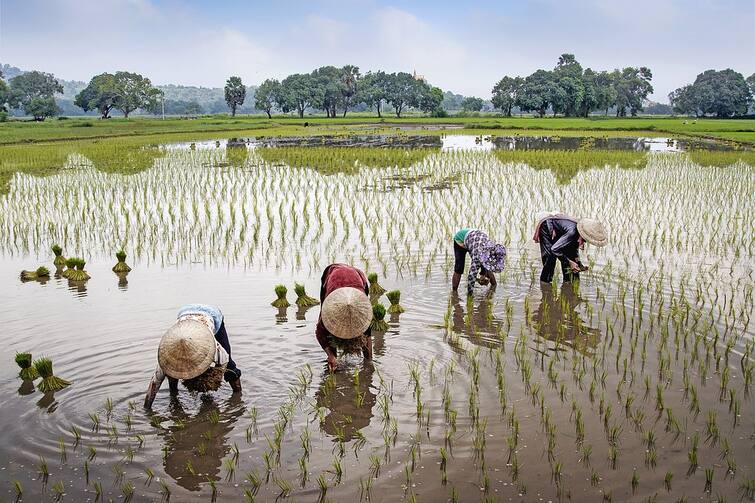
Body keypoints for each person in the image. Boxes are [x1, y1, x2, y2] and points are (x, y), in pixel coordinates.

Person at [144, 304, 242, 408]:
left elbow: (224, 364)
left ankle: (238, 396)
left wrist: (211, 379)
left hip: (212, 315)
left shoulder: (216, 350)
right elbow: (154, 385)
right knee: (171, 373)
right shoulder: (165, 359)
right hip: (184, 313)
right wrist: (147, 408)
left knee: (230, 367)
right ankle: (173, 396)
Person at [316, 263, 373, 372]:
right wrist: (330, 355)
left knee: (364, 329)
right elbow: (319, 333)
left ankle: (367, 358)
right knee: (328, 329)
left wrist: (369, 362)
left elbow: (367, 333)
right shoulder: (329, 310)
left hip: (358, 276)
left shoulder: (363, 311)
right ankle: (334, 360)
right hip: (333, 275)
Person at [533, 213, 607, 284]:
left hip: (562, 231)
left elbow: (573, 251)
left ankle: (568, 283)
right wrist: (570, 262)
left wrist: (579, 264)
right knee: (550, 258)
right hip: (547, 226)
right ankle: (545, 284)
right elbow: (554, 249)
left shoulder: (577, 234)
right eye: (585, 239)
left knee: (570, 256)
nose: (585, 242)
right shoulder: (573, 232)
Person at [451, 228, 507, 295]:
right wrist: (470, 297)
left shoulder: (491, 249)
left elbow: (488, 265)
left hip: (474, 240)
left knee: (488, 266)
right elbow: (472, 276)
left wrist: (483, 275)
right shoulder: (478, 255)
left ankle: (494, 286)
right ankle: (454, 293)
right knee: (459, 267)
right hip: (460, 240)